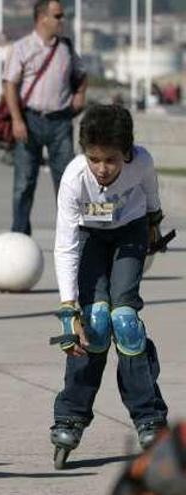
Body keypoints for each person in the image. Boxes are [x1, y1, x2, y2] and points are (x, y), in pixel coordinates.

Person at [49, 105, 169, 470]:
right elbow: (66, 244)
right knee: (95, 325)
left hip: (129, 235)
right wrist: (69, 310)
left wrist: (153, 227)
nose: (102, 169)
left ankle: (149, 416)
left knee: (126, 323)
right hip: (89, 239)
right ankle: (70, 415)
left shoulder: (142, 162)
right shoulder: (74, 178)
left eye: (111, 160)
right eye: (94, 159)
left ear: (127, 153)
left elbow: (150, 195)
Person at [4, 0, 88, 236]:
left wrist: (80, 94)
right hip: (30, 120)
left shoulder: (66, 48)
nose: (62, 20)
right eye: (58, 16)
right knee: (24, 182)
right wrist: (17, 120)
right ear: (42, 18)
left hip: (60, 121)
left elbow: (81, 74)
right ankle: (19, 236)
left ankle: (72, 232)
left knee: (66, 181)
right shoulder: (21, 48)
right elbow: (10, 86)